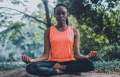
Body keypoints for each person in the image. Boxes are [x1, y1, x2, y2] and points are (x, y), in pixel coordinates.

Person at [22, 4, 97, 76]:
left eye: (63, 13)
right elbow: (45, 55)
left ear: (67, 14)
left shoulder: (74, 31)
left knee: (90, 64)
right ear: (55, 15)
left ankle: (61, 68)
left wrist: (87, 56)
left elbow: (77, 55)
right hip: (53, 63)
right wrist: (32, 60)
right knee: (30, 67)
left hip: (70, 62)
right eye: (58, 13)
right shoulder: (48, 31)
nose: (61, 15)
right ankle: (58, 71)